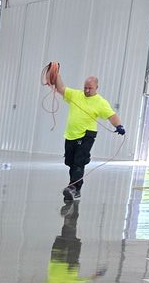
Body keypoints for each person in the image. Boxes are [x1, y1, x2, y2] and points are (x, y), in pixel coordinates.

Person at [15, 202, 107, 283]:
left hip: (62, 261)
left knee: (69, 233)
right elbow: (81, 281)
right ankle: (72, 208)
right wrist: (96, 275)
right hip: (67, 261)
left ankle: (71, 209)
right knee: (69, 232)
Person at [44, 62, 127, 204]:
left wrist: (119, 126)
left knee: (78, 162)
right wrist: (56, 73)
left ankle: (74, 188)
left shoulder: (101, 102)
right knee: (70, 162)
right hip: (71, 134)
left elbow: (111, 116)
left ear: (96, 88)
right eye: (85, 88)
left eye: (90, 88)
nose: (87, 90)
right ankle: (74, 183)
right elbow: (60, 88)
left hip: (87, 134)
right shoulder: (76, 95)